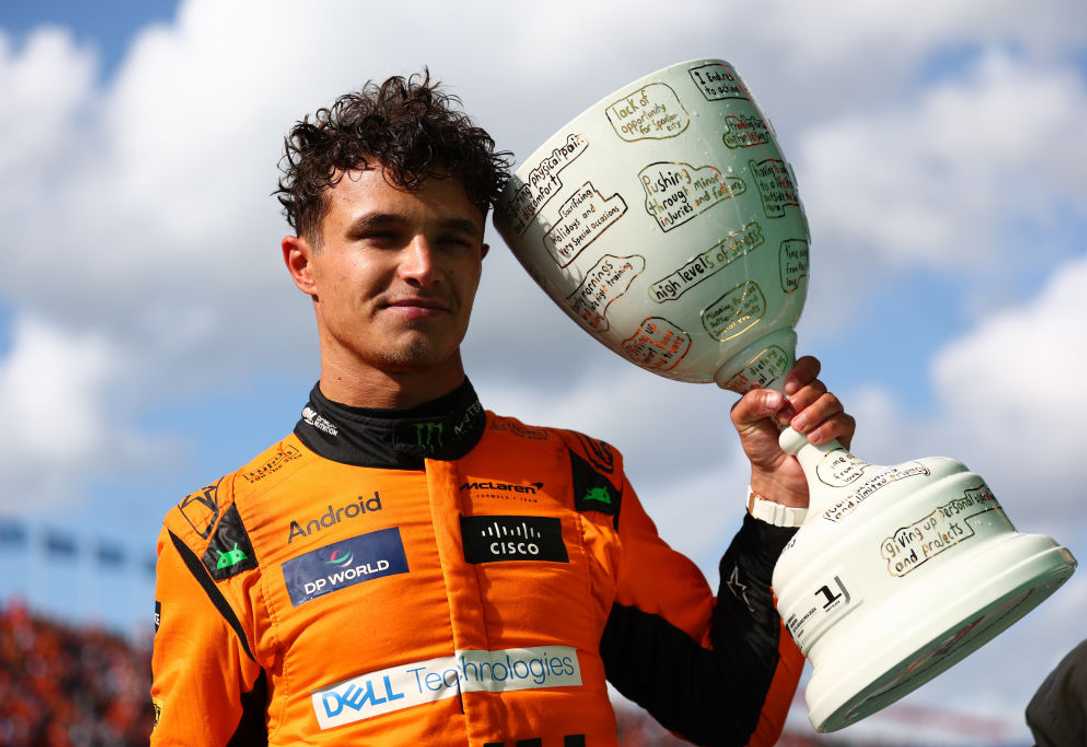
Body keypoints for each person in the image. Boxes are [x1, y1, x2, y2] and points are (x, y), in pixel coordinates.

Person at [149, 72, 855, 746]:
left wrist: (777, 502)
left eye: (452, 238)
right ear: (303, 263)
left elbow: (730, 712)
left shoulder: (580, 481)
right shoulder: (222, 535)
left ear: (481, 259)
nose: (423, 264)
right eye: (382, 234)